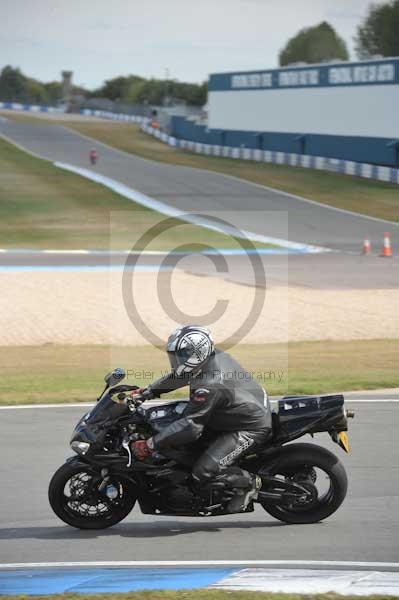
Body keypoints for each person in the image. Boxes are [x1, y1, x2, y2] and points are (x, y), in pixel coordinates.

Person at [130, 325, 272, 513]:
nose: (176, 361)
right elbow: (182, 374)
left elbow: (191, 426)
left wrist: (151, 444)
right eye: (175, 356)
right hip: (238, 410)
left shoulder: (209, 384)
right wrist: (148, 392)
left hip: (251, 427)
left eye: (180, 356)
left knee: (203, 472)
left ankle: (250, 483)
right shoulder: (207, 359)